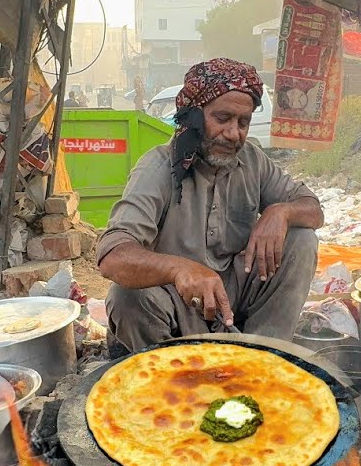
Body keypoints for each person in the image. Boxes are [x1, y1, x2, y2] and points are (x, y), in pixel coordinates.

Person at [97, 58, 324, 355]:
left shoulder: (253, 161)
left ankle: (262, 357)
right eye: (223, 118)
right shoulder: (158, 168)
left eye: (243, 122)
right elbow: (112, 256)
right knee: (126, 296)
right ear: (193, 116)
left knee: (301, 239)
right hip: (177, 304)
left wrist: (281, 212)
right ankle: (171, 375)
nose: (234, 134)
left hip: (233, 299)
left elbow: (313, 209)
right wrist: (180, 269)